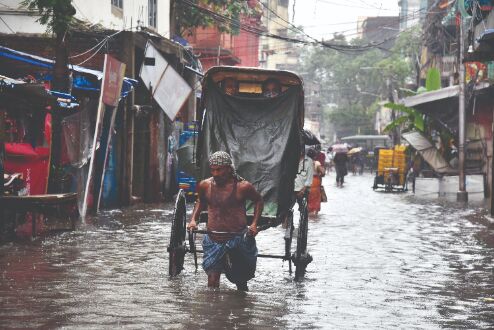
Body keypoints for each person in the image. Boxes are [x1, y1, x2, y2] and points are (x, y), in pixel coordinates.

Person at [187, 151, 264, 291]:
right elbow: (200, 201)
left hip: (237, 238)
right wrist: (193, 220)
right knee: (212, 280)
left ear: (228, 169)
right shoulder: (205, 185)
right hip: (213, 239)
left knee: (240, 282)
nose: (215, 173)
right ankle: (214, 310)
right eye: (213, 170)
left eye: (219, 170)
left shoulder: (243, 187)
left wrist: (254, 224)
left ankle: (241, 309)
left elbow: (258, 200)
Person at [307, 148, 325, 215]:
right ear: (315, 156)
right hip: (315, 182)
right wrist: (320, 174)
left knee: (307, 200)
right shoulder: (316, 163)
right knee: (315, 201)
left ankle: (308, 217)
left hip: (305, 183)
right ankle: (314, 216)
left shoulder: (303, 162)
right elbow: (323, 172)